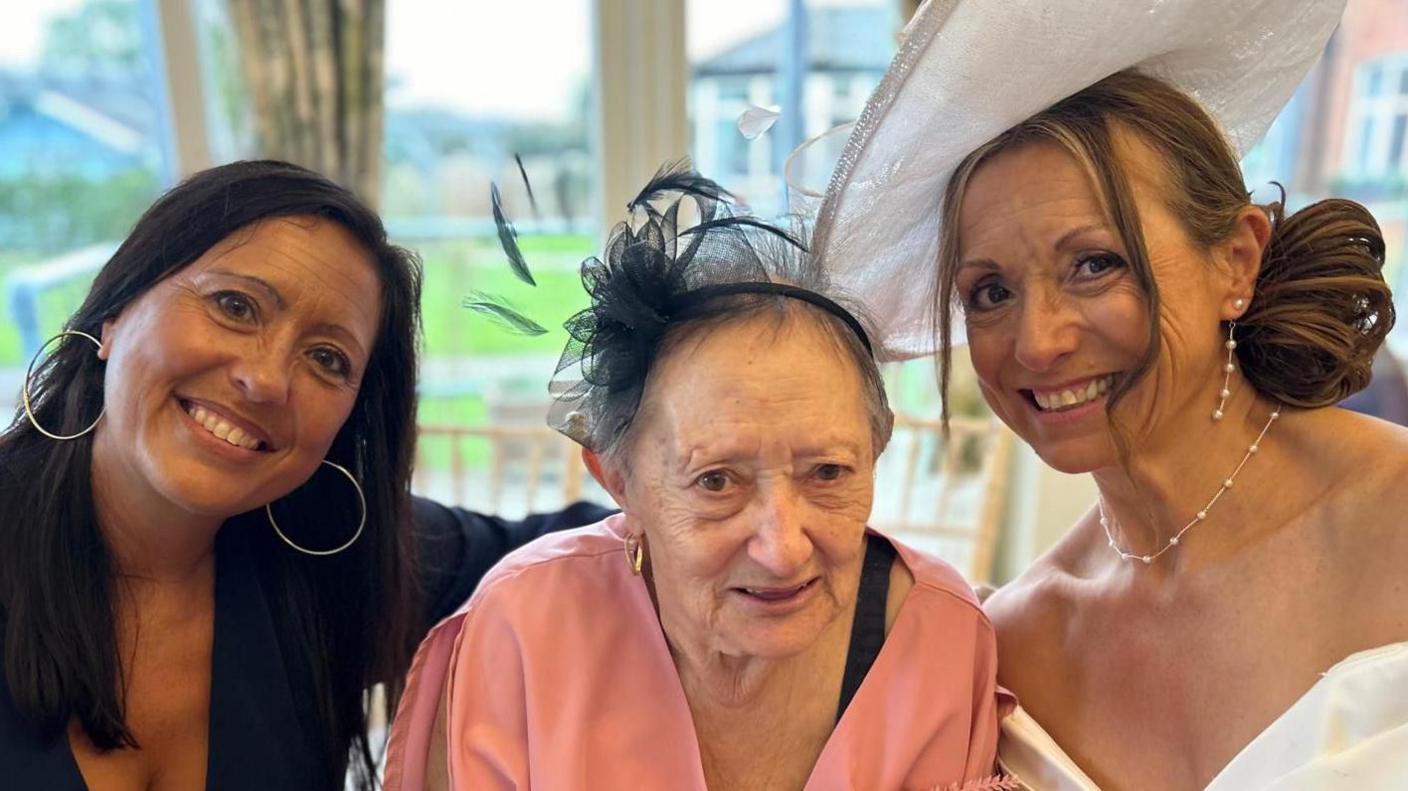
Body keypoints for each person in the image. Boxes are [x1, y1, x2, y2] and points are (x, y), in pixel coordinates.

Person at [796, 1, 1407, 788]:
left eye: (1093, 264)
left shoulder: (1393, 515)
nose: (1037, 341)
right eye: (990, 292)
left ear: (1236, 261)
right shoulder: (1016, 642)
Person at [384, 166, 1010, 790]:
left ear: (876, 450)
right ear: (618, 481)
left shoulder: (940, 641)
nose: (783, 549)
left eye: (827, 472)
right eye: (716, 482)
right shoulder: (523, 630)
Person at [0, 160, 610, 790]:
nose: (264, 380)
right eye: (234, 306)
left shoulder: (328, 551)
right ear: (116, 313)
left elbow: (573, 549)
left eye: (326, 358)